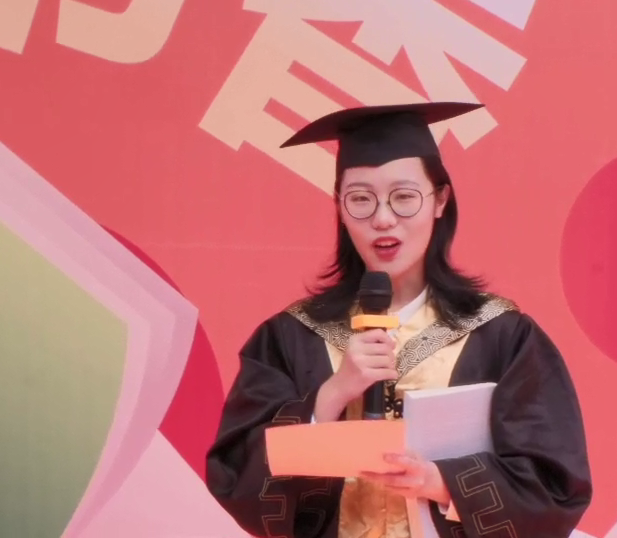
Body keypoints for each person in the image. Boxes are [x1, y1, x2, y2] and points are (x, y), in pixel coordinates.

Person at [205, 102, 593, 538]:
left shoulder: (502, 336)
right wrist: (331, 396)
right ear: (339, 207)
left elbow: (555, 486)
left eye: (404, 197)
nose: (383, 219)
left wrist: (441, 482)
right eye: (361, 199)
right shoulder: (290, 338)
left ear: (440, 200)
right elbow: (236, 477)